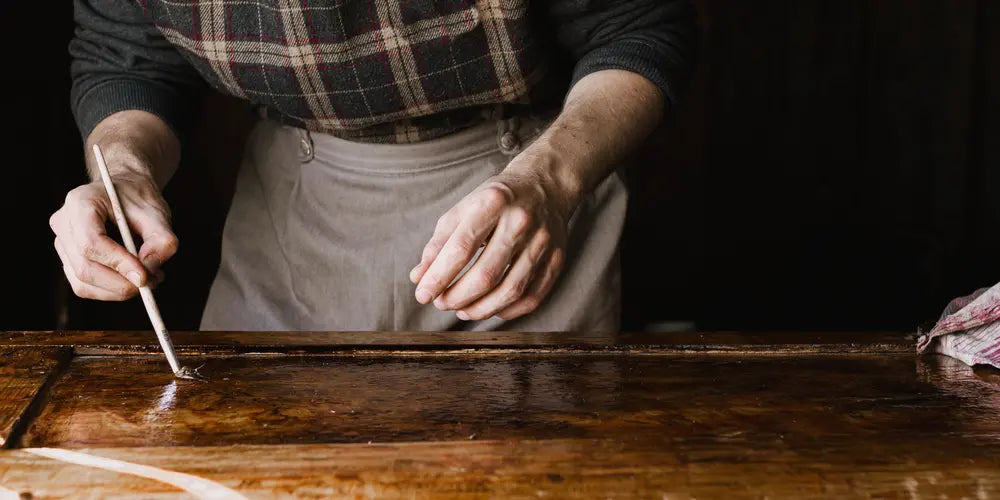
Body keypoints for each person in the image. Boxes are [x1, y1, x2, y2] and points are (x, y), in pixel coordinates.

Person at [50, 0, 696, 332]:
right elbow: (125, 64)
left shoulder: (545, 182)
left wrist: (551, 180)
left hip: (528, 178)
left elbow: (636, 29)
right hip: (294, 200)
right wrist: (125, 172)